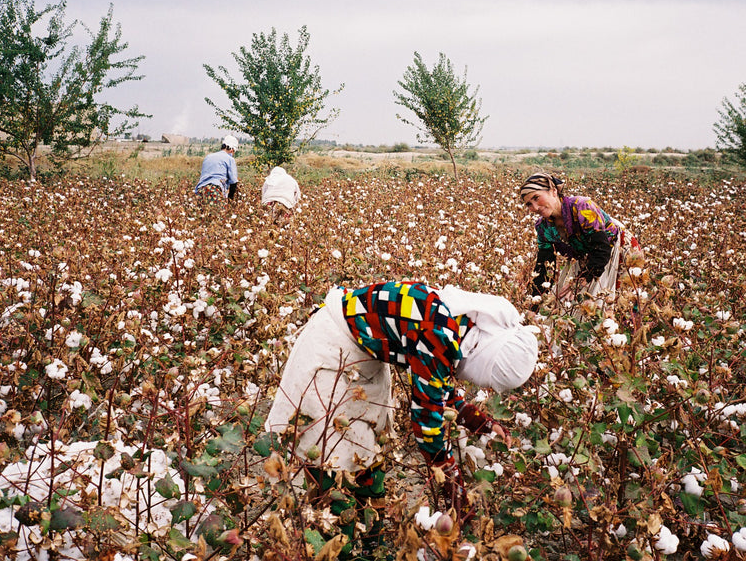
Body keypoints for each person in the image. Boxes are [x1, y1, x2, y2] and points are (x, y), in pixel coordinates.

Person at [264, 281, 537, 558]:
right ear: (483, 357)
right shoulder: (439, 333)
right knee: (334, 463)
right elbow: (426, 424)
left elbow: (435, 383)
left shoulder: (458, 324)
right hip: (332, 350)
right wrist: (454, 488)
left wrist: (478, 421)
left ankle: (373, 542)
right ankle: (337, 546)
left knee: (369, 450)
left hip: (362, 354)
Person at [519, 172, 641, 302]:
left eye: (536, 198)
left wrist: (581, 280)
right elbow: (543, 268)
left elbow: (601, 247)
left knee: (622, 302)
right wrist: (534, 304)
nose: (535, 207)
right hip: (589, 258)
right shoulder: (543, 227)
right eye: (529, 204)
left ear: (553, 191)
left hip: (618, 250)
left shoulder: (582, 206)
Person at [194, 135, 239, 204]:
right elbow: (233, 182)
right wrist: (230, 200)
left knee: (202, 213)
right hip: (214, 190)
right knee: (218, 213)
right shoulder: (230, 159)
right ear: (232, 150)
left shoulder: (208, 157)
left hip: (200, 191)